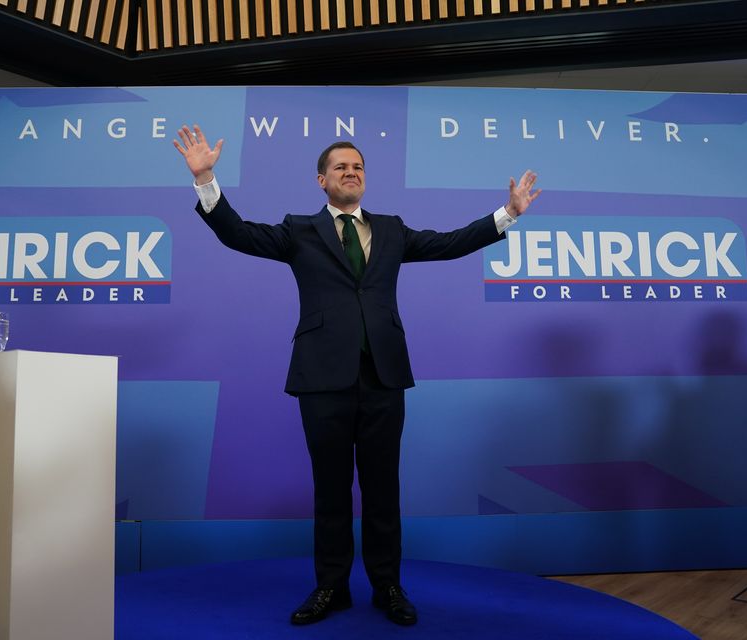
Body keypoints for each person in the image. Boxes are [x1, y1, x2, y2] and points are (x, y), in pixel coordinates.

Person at [173, 124, 541, 627]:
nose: (351, 172)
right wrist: (206, 179)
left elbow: (450, 243)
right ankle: (331, 587)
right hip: (322, 378)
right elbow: (238, 233)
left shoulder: (391, 229)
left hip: (383, 377)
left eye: (358, 167)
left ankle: (388, 586)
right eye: (340, 167)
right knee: (331, 489)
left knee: (382, 489)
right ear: (321, 180)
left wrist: (509, 214)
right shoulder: (298, 230)